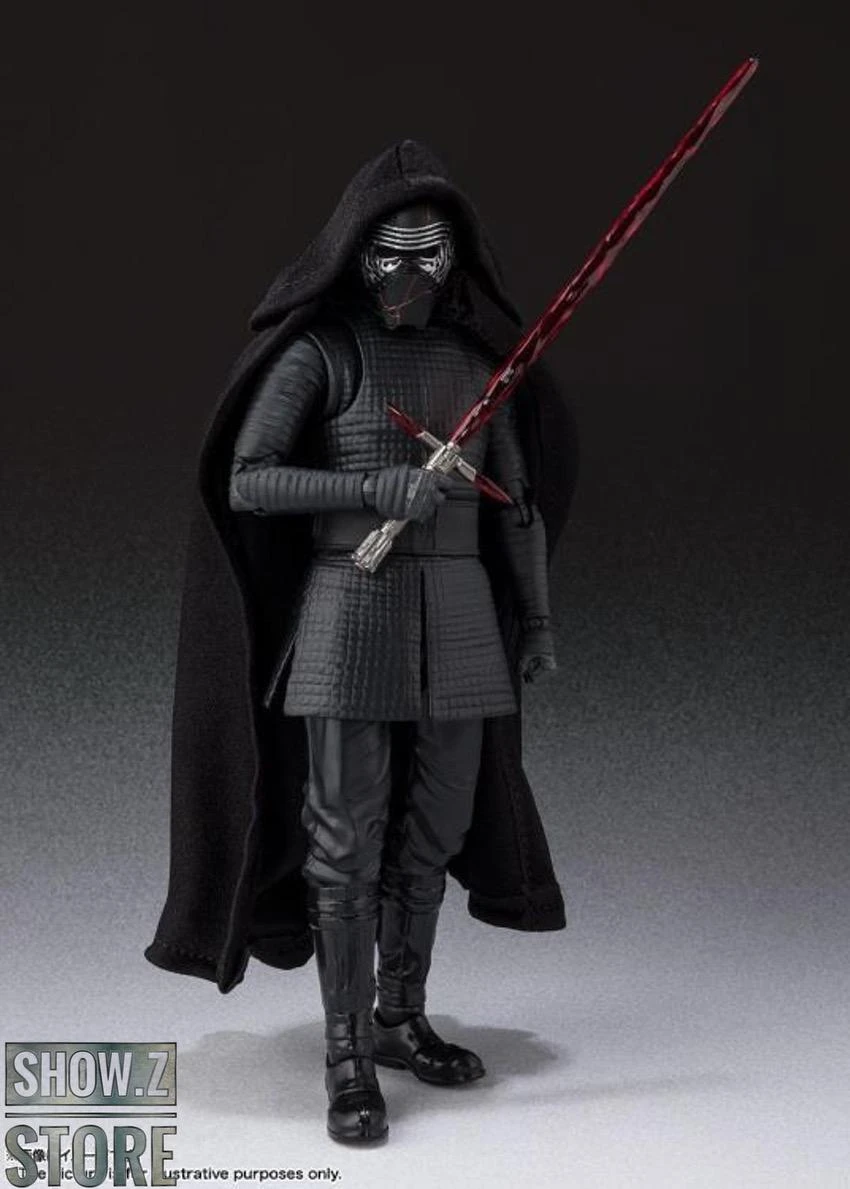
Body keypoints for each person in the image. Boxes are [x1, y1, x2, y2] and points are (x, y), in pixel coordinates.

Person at [144, 140, 579, 1144]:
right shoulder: (322, 355)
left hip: (461, 623)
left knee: (433, 834)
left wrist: (537, 620)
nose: (410, 274)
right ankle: (344, 1052)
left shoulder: (478, 365)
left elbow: (514, 508)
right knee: (344, 844)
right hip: (350, 610)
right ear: (355, 252)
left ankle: (396, 1015)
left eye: (430, 254)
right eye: (392, 252)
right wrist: (367, 486)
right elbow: (249, 478)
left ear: (456, 259)